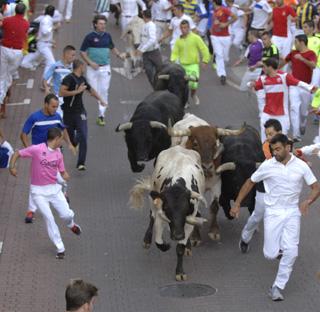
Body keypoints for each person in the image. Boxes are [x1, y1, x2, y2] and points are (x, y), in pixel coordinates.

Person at [230, 133, 320, 301]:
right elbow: (250, 182)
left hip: (292, 212)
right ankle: (252, 240)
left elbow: (315, 187)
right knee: (270, 255)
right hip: (273, 212)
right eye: (273, 150)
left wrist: (308, 201)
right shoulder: (267, 165)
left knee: (292, 252)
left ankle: (277, 287)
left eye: (278, 149)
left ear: (288, 147)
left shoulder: (301, 166)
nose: (275, 153)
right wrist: (236, 204)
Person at [9, 128, 82, 259]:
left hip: (54, 190)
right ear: (57, 138)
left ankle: (71, 224)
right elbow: (17, 153)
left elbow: (62, 171)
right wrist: (12, 167)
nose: (62, 142)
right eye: (62, 139)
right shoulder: (37, 149)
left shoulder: (59, 153)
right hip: (38, 192)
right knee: (49, 218)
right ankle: (60, 248)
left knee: (66, 215)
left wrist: (65, 175)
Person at [21, 94, 75, 223]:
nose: (55, 109)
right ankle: (31, 210)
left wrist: (69, 144)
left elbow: (63, 130)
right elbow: (23, 134)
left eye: (56, 107)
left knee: (60, 177)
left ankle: (63, 194)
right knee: (36, 182)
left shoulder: (57, 117)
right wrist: (30, 150)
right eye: (53, 106)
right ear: (45, 104)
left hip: (55, 153)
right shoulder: (35, 117)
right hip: (40, 155)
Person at [239, 119, 282, 253]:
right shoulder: (262, 150)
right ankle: (245, 238)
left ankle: (279, 248)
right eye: (267, 134)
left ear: (279, 133)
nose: (268, 137)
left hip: (281, 190)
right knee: (257, 217)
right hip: (263, 189)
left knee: (281, 218)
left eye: (271, 134)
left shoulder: (288, 146)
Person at [248, 57, 317, 142]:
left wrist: (310, 88)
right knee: (265, 139)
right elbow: (255, 86)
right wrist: (250, 84)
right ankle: (265, 154)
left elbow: (297, 82)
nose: (263, 69)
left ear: (270, 67)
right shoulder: (262, 79)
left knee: (282, 140)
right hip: (267, 114)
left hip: (282, 115)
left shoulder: (284, 76)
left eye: (264, 67)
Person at [60, 59, 108, 171]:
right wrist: (76, 92)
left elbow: (91, 90)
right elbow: (61, 92)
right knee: (72, 139)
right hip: (68, 113)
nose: (85, 69)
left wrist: (100, 99)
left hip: (80, 112)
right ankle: (75, 141)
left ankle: (81, 163)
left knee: (84, 135)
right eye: (84, 67)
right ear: (80, 67)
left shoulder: (82, 79)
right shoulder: (68, 79)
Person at [80, 15, 125, 126]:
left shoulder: (107, 36)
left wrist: (119, 54)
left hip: (105, 68)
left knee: (104, 90)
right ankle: (98, 102)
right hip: (92, 69)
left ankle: (101, 115)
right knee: (93, 91)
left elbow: (112, 47)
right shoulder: (89, 37)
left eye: (104, 24)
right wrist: (90, 63)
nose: (103, 26)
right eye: (100, 24)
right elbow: (82, 52)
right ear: (95, 24)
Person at [284, 34, 317, 141]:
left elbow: (313, 65)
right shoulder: (293, 53)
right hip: (294, 85)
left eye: (296, 42)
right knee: (293, 108)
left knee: (303, 112)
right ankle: (296, 134)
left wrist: (302, 59)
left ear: (302, 42)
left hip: (305, 87)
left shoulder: (311, 53)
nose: (294, 44)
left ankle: (302, 124)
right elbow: (283, 62)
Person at [171, 19, 210, 105]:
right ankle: (185, 101)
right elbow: (174, 52)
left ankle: (193, 94)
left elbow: (204, 49)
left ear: (189, 28)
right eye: (182, 28)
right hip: (182, 66)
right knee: (182, 85)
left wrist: (205, 60)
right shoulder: (178, 40)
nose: (183, 29)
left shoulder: (196, 38)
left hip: (193, 65)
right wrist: (173, 60)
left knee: (193, 83)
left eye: (185, 27)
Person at [0, 3, 29, 116]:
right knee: (8, 77)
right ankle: (3, 102)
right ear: (24, 12)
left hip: (5, 49)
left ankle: (1, 101)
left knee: (3, 77)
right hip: (17, 53)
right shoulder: (26, 23)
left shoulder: (7, 20)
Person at [21, 5, 56, 76]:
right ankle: (45, 81)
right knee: (51, 63)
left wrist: (51, 41)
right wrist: (53, 28)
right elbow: (45, 32)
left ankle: (45, 79)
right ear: (53, 13)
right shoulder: (46, 20)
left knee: (42, 60)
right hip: (43, 44)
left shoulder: (44, 19)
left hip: (44, 44)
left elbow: (34, 24)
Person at [43, 45, 77, 116]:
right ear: (66, 54)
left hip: (70, 97)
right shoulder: (55, 66)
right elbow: (45, 79)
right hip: (59, 98)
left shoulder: (74, 67)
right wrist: (46, 89)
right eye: (72, 55)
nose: (74, 58)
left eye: (74, 55)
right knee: (60, 118)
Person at [210, 0, 237, 85]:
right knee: (219, 55)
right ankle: (222, 75)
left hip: (225, 37)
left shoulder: (224, 9)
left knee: (225, 57)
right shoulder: (213, 10)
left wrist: (226, 24)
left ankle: (223, 68)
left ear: (214, 2)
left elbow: (235, 17)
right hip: (215, 37)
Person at [136, 9, 163, 87]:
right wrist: (139, 49)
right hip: (146, 54)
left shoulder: (151, 25)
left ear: (144, 16)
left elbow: (152, 39)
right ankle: (155, 87)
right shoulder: (145, 25)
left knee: (160, 70)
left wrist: (142, 49)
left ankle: (162, 86)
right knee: (149, 72)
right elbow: (143, 40)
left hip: (154, 52)